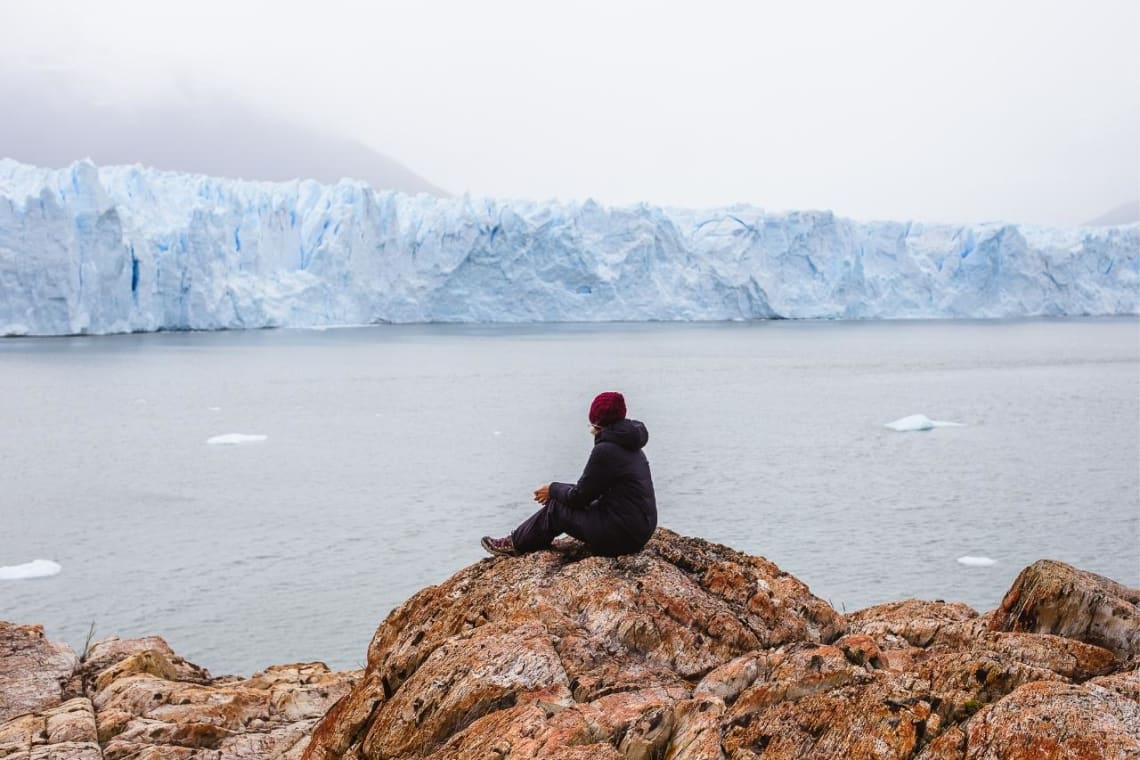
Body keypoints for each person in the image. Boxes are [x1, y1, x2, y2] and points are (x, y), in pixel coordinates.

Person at [481, 391, 657, 558]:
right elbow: (590, 491)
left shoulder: (606, 450)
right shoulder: (630, 443)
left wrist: (552, 489)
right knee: (562, 498)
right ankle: (524, 538)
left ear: (597, 423)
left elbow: (579, 498)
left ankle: (515, 544)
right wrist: (556, 491)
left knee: (556, 509)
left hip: (622, 537)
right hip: (638, 529)